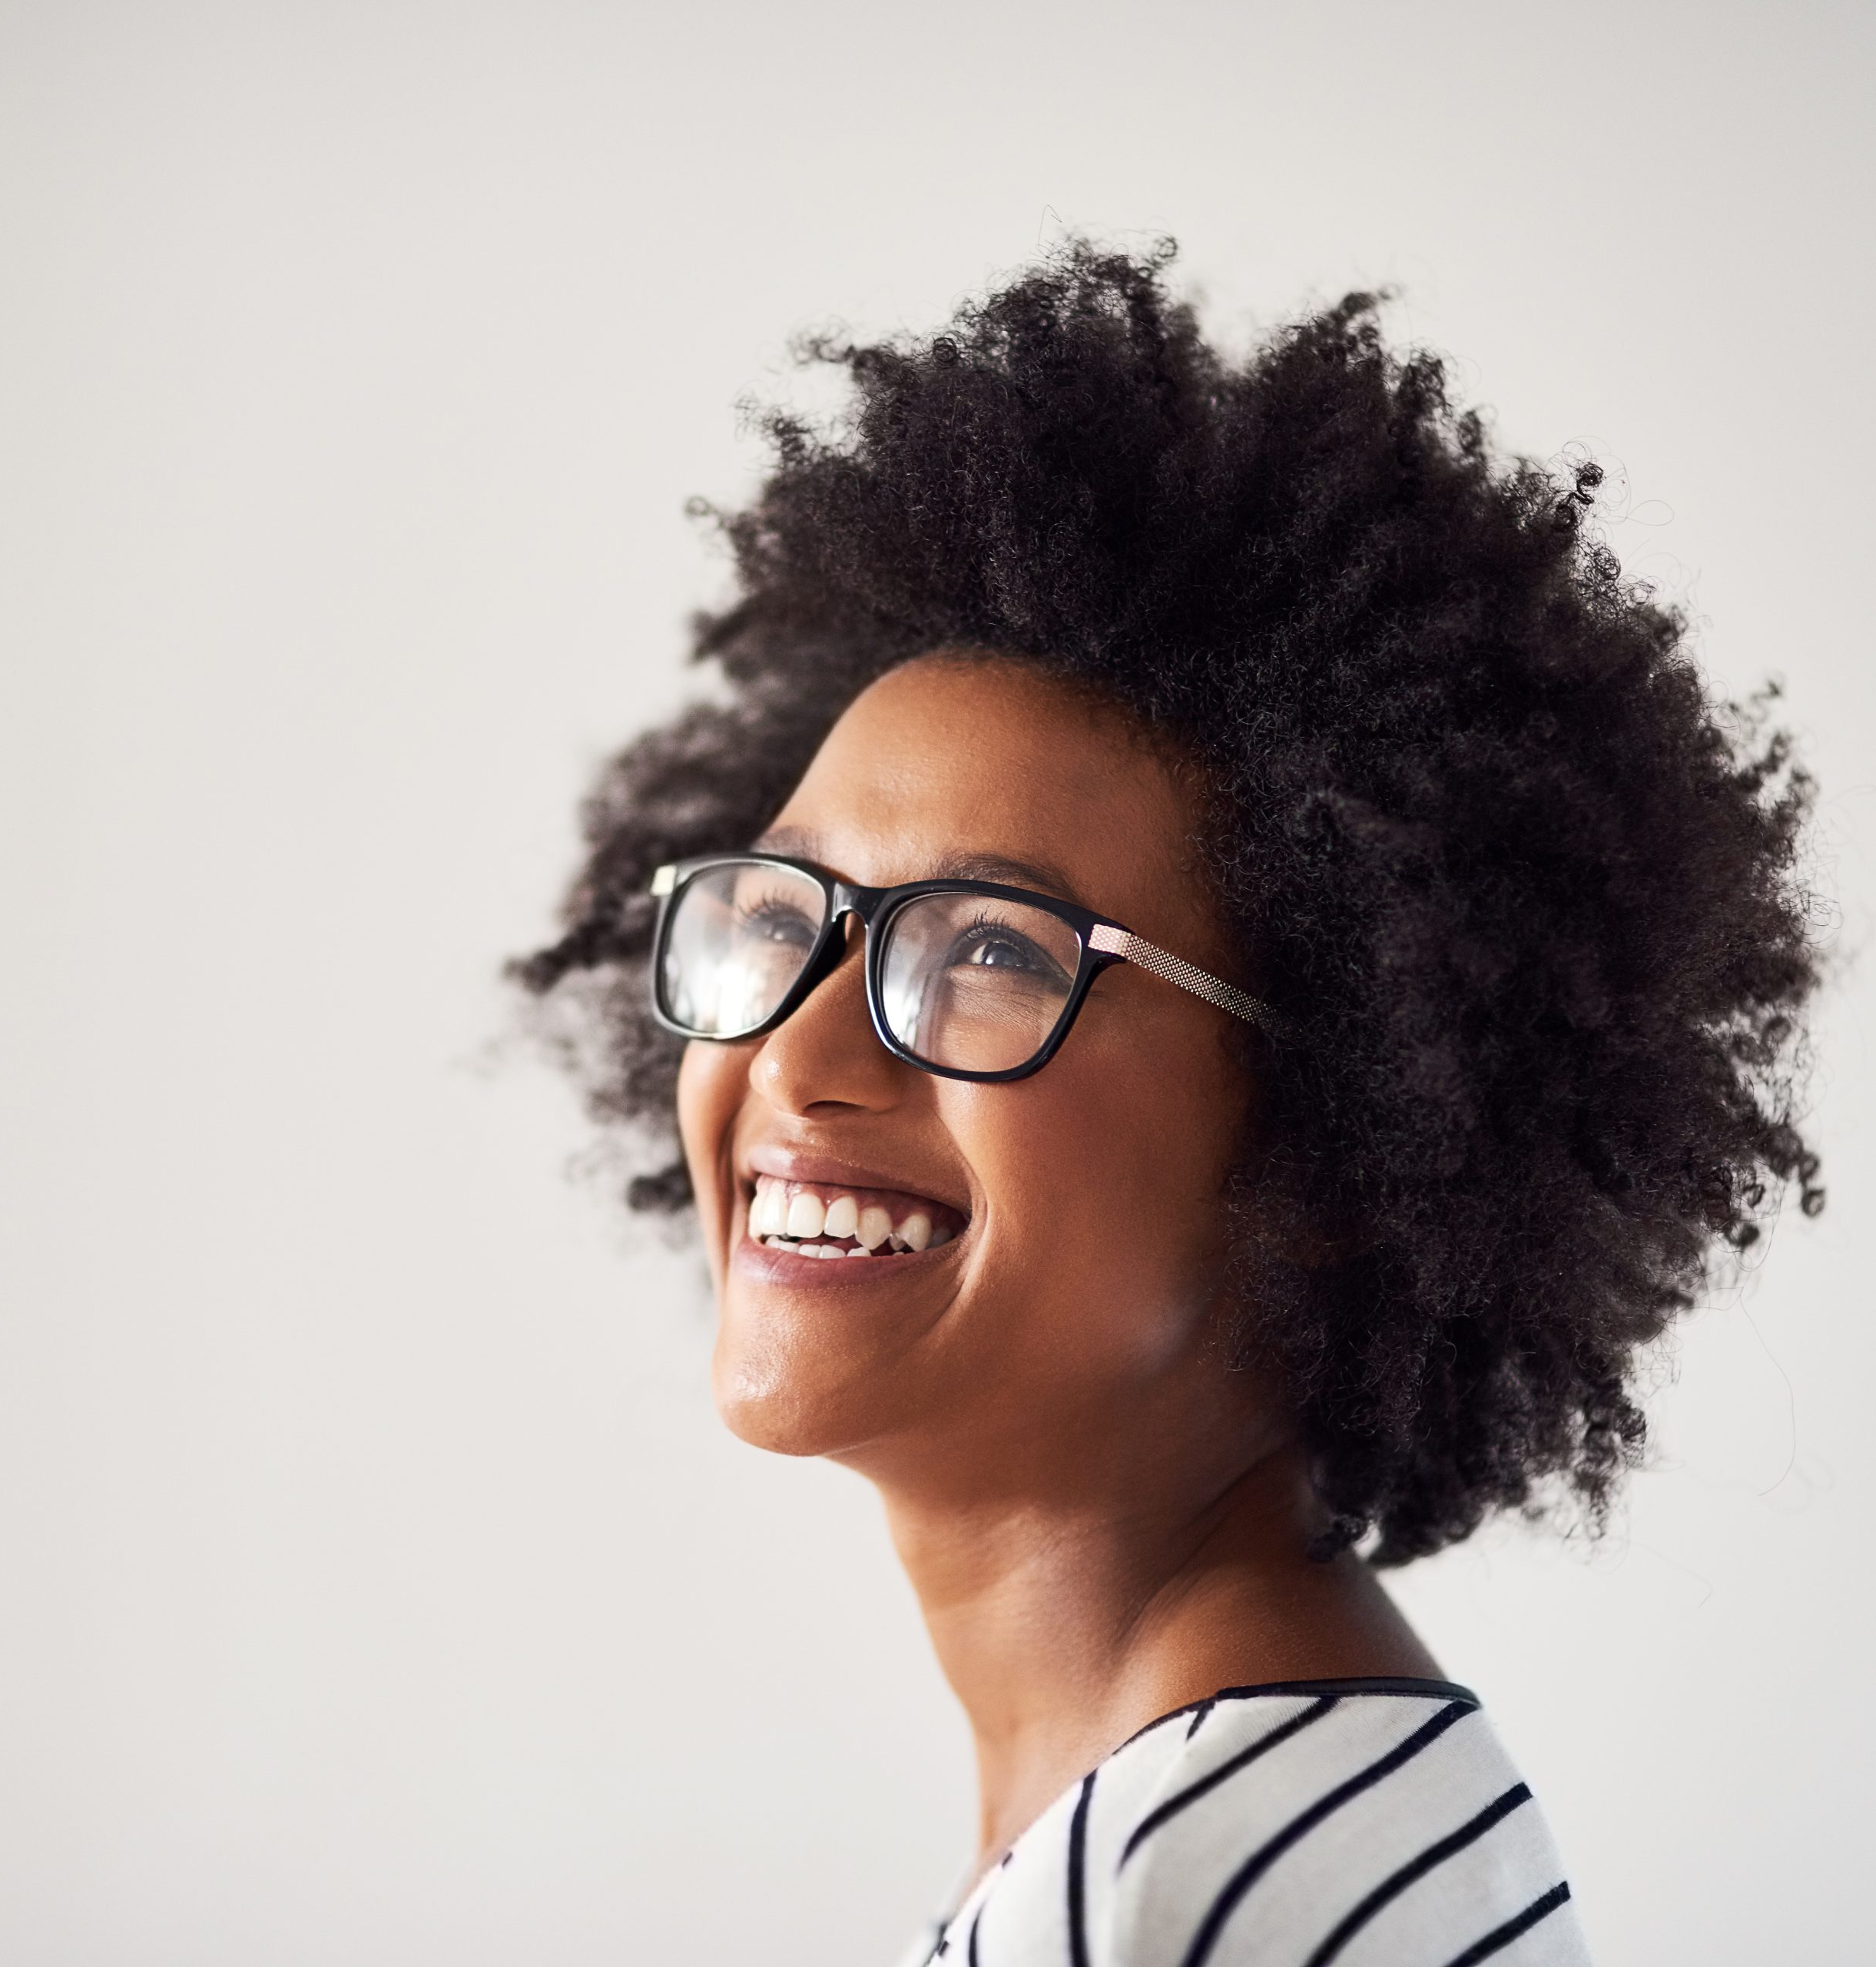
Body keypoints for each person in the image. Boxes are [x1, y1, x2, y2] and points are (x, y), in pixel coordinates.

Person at [515, 243, 1822, 1965]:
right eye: (781, 913)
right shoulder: (1243, 1821)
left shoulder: (1181, 1895)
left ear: (1329, 1137)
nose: (799, 1056)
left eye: (989, 950)